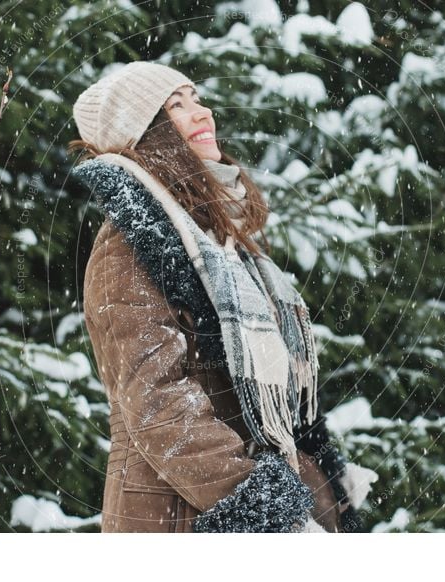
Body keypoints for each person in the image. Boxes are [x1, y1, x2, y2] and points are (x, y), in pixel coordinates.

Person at [68, 61, 377, 533]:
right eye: (176, 106)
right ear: (144, 135)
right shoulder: (129, 247)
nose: (203, 113)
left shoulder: (223, 245)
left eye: (197, 99)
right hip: (181, 515)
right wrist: (259, 503)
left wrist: (317, 491)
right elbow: (157, 402)